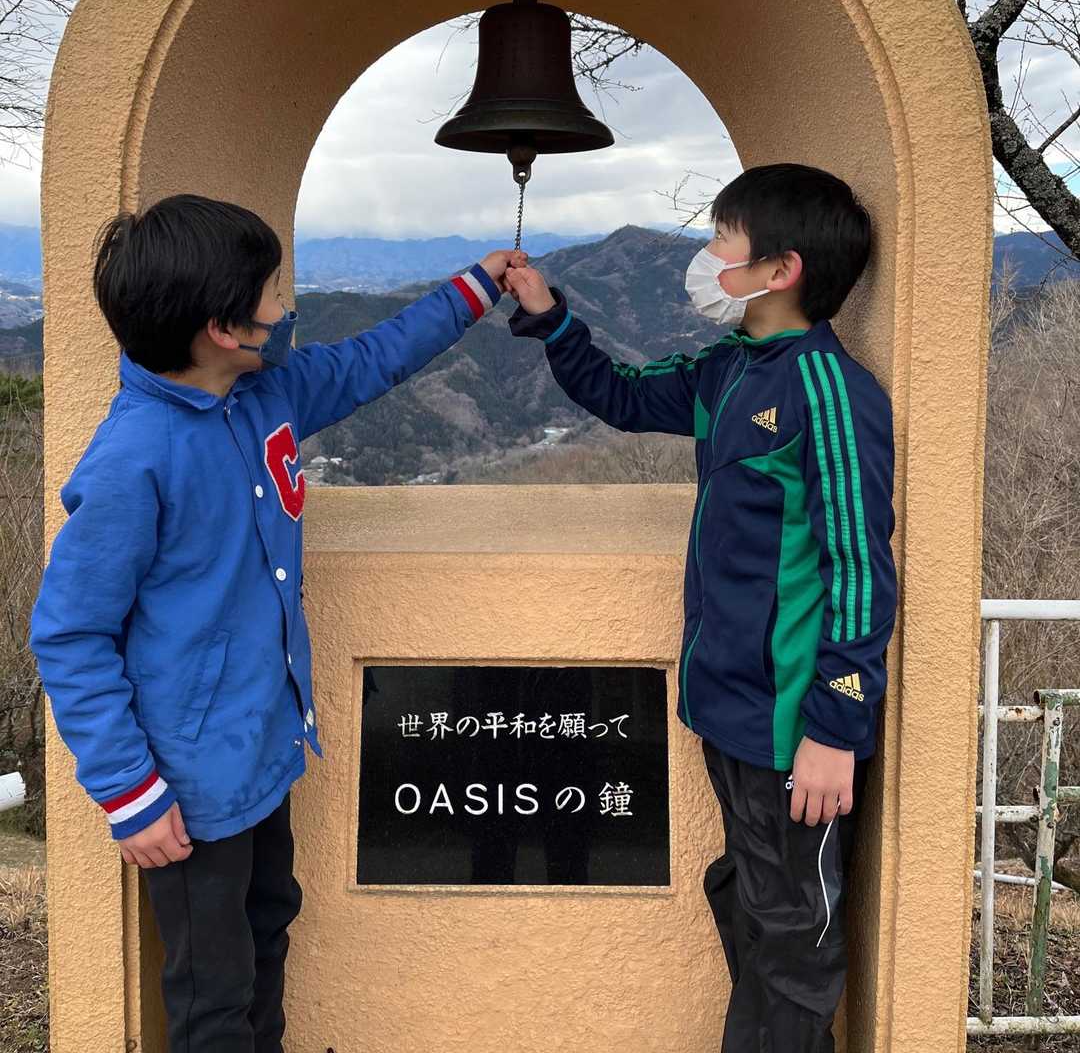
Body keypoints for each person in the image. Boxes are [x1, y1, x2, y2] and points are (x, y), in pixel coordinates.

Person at [30, 193, 523, 1053]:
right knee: (212, 995)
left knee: (265, 941)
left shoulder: (268, 391)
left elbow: (377, 356)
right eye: (270, 293)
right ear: (223, 329)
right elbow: (70, 633)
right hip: (185, 788)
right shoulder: (133, 459)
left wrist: (476, 288)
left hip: (263, 752)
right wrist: (129, 792)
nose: (283, 305)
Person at [505, 164, 897, 1053]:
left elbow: (859, 569)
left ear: (780, 270)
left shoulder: (830, 391)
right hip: (727, 710)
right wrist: (550, 316)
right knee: (751, 904)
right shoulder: (729, 369)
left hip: (793, 726)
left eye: (723, 238)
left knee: (795, 936)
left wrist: (835, 728)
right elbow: (624, 395)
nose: (706, 253)